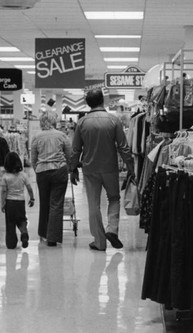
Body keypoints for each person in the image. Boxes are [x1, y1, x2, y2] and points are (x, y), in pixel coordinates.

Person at [70, 88, 135, 251]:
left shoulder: (82, 122)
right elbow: (123, 147)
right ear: (103, 101)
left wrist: (72, 169)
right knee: (114, 198)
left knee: (94, 204)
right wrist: (130, 167)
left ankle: (99, 242)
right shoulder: (113, 120)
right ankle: (112, 229)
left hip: (90, 168)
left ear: (87, 103)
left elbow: (76, 149)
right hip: (110, 168)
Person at [31, 111, 72, 247]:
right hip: (59, 170)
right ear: (54, 121)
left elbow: (33, 159)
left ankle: (43, 233)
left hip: (42, 171)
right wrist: (70, 168)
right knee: (56, 204)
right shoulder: (62, 136)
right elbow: (69, 155)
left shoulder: (36, 137)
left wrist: (37, 168)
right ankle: (52, 238)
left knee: (44, 202)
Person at [1, 152, 35, 249]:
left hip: (10, 202)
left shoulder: (5, 177)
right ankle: (24, 232)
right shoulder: (23, 175)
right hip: (20, 202)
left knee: (10, 223)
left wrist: (3, 204)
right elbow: (29, 188)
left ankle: (11, 243)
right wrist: (32, 198)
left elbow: (3, 192)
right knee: (21, 220)